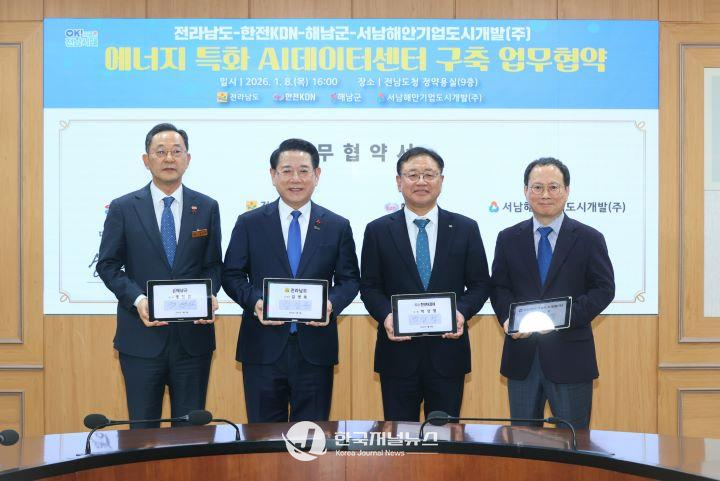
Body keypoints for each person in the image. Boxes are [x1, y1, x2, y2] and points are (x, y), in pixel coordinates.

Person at [222, 138, 360, 423]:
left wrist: (331, 305)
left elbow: (349, 280)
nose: (295, 178)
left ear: (317, 175)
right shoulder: (250, 223)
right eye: (286, 170)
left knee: (310, 437)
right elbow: (231, 274)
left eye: (304, 171)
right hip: (262, 348)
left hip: (315, 350)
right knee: (262, 437)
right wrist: (255, 302)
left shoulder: (336, 226)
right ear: (273, 175)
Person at [96, 123, 222, 428]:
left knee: (190, 433)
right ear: (146, 159)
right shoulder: (123, 207)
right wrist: (138, 299)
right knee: (142, 433)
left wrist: (208, 295)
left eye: (176, 152)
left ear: (187, 159)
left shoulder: (206, 206)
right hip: (140, 340)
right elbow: (108, 264)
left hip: (193, 342)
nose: (169, 158)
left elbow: (214, 265)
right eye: (160, 152)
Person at [360, 146, 490, 422]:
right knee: (399, 436)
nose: (421, 182)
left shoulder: (465, 228)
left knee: (444, 436)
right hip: (397, 355)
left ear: (441, 180)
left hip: (448, 355)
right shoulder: (378, 230)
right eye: (413, 175)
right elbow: (370, 287)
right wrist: (387, 316)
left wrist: (461, 312)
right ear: (399, 181)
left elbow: (480, 284)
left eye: (429, 174)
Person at [490, 157, 615, 429]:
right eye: (537, 187)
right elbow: (499, 287)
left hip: (570, 357)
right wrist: (508, 319)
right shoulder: (508, 237)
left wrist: (562, 318)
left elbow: (603, 289)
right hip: (522, 358)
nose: (545, 194)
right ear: (525, 191)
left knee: (573, 442)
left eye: (553, 187)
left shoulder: (589, 238)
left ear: (567, 191)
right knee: (523, 442)